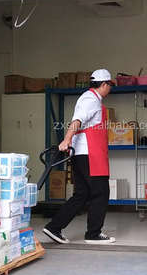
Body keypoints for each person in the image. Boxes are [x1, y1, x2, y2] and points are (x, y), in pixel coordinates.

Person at [43, 69, 116, 244]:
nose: (110, 88)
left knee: (82, 194)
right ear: (104, 84)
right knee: (101, 193)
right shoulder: (91, 100)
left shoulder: (91, 99)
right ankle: (93, 234)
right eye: (110, 85)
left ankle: (54, 227)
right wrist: (66, 140)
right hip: (90, 155)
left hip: (84, 154)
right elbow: (77, 120)